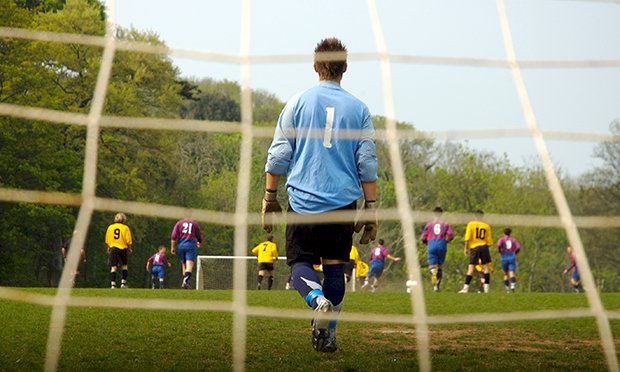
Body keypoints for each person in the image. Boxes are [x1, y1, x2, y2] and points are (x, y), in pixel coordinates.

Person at [262, 37, 378, 353]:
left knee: (299, 264)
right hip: (342, 205)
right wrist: (371, 208)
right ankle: (328, 336)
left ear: (315, 67)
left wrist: (270, 197)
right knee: (335, 268)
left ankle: (316, 301)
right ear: (345, 68)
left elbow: (278, 156)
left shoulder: (297, 103)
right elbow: (366, 161)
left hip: (303, 202)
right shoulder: (359, 109)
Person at [458, 210, 493, 293]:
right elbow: (490, 242)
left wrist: (466, 248)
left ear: (475, 216)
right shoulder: (486, 226)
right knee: (485, 267)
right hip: (484, 247)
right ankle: (486, 289)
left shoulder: (471, 224)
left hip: (475, 247)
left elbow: (467, 238)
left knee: (471, 267)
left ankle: (466, 288)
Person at [420, 206, 454, 292]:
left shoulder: (429, 224)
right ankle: (437, 286)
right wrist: (447, 241)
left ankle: (433, 274)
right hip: (441, 244)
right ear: (441, 214)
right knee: (440, 266)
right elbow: (451, 235)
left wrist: (426, 243)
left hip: (431, 244)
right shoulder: (445, 224)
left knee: (432, 266)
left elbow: (423, 237)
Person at [171, 217, 202, 289]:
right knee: (189, 265)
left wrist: (172, 247)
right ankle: (185, 281)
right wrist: (199, 242)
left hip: (181, 245)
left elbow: (173, 236)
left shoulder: (179, 223)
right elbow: (199, 236)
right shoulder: (194, 224)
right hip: (190, 245)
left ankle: (185, 282)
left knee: (184, 264)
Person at [105, 212, 133, 288]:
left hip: (113, 248)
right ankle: (123, 283)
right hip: (122, 248)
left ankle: (113, 284)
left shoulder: (110, 227)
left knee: (113, 267)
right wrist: (129, 248)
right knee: (124, 265)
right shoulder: (125, 228)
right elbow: (128, 240)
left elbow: (107, 239)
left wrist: (108, 247)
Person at [497, 227, 521, 293]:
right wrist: (515, 252)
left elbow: (498, 245)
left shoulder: (501, 239)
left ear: (504, 233)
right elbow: (518, 247)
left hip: (504, 257)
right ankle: (513, 285)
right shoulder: (513, 240)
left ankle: (507, 289)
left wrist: (500, 251)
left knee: (505, 273)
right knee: (511, 272)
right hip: (512, 257)